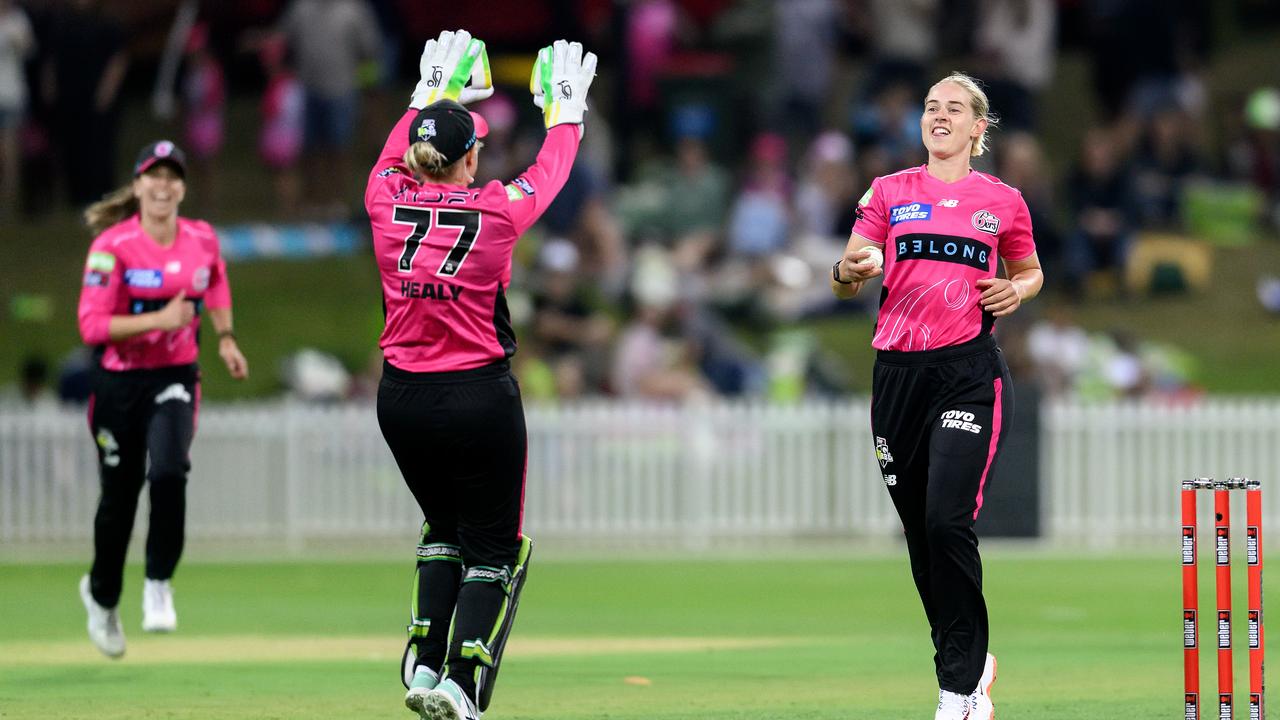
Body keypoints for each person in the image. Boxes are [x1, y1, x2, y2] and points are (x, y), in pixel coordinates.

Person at [365, 31, 595, 720]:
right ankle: (462, 684)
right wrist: (567, 116)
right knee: (495, 548)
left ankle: (424, 654)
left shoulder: (382, 198)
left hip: (401, 398)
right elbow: (549, 173)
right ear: (470, 157)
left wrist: (427, 93)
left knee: (442, 526)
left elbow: (387, 155)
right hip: (478, 397)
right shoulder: (493, 209)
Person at [831, 72, 1043, 720]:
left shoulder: (1002, 200)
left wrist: (1019, 290)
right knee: (922, 537)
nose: (938, 116)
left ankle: (961, 690)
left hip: (966, 372)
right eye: (930, 107)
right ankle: (971, 666)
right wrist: (850, 271)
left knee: (948, 520)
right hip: (897, 374)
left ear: (979, 128)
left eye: (954, 109)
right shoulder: (889, 192)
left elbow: (1029, 268)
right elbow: (848, 272)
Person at [75, 140, 249, 658]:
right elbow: (91, 327)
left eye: (174, 177)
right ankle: (102, 597)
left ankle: (158, 582)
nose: (164, 185)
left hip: (174, 375)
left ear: (182, 189)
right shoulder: (113, 247)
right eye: (154, 175)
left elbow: (215, 281)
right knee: (120, 499)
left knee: (169, 470)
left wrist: (224, 337)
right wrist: (160, 319)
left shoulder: (201, 238)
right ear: (138, 185)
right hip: (118, 384)